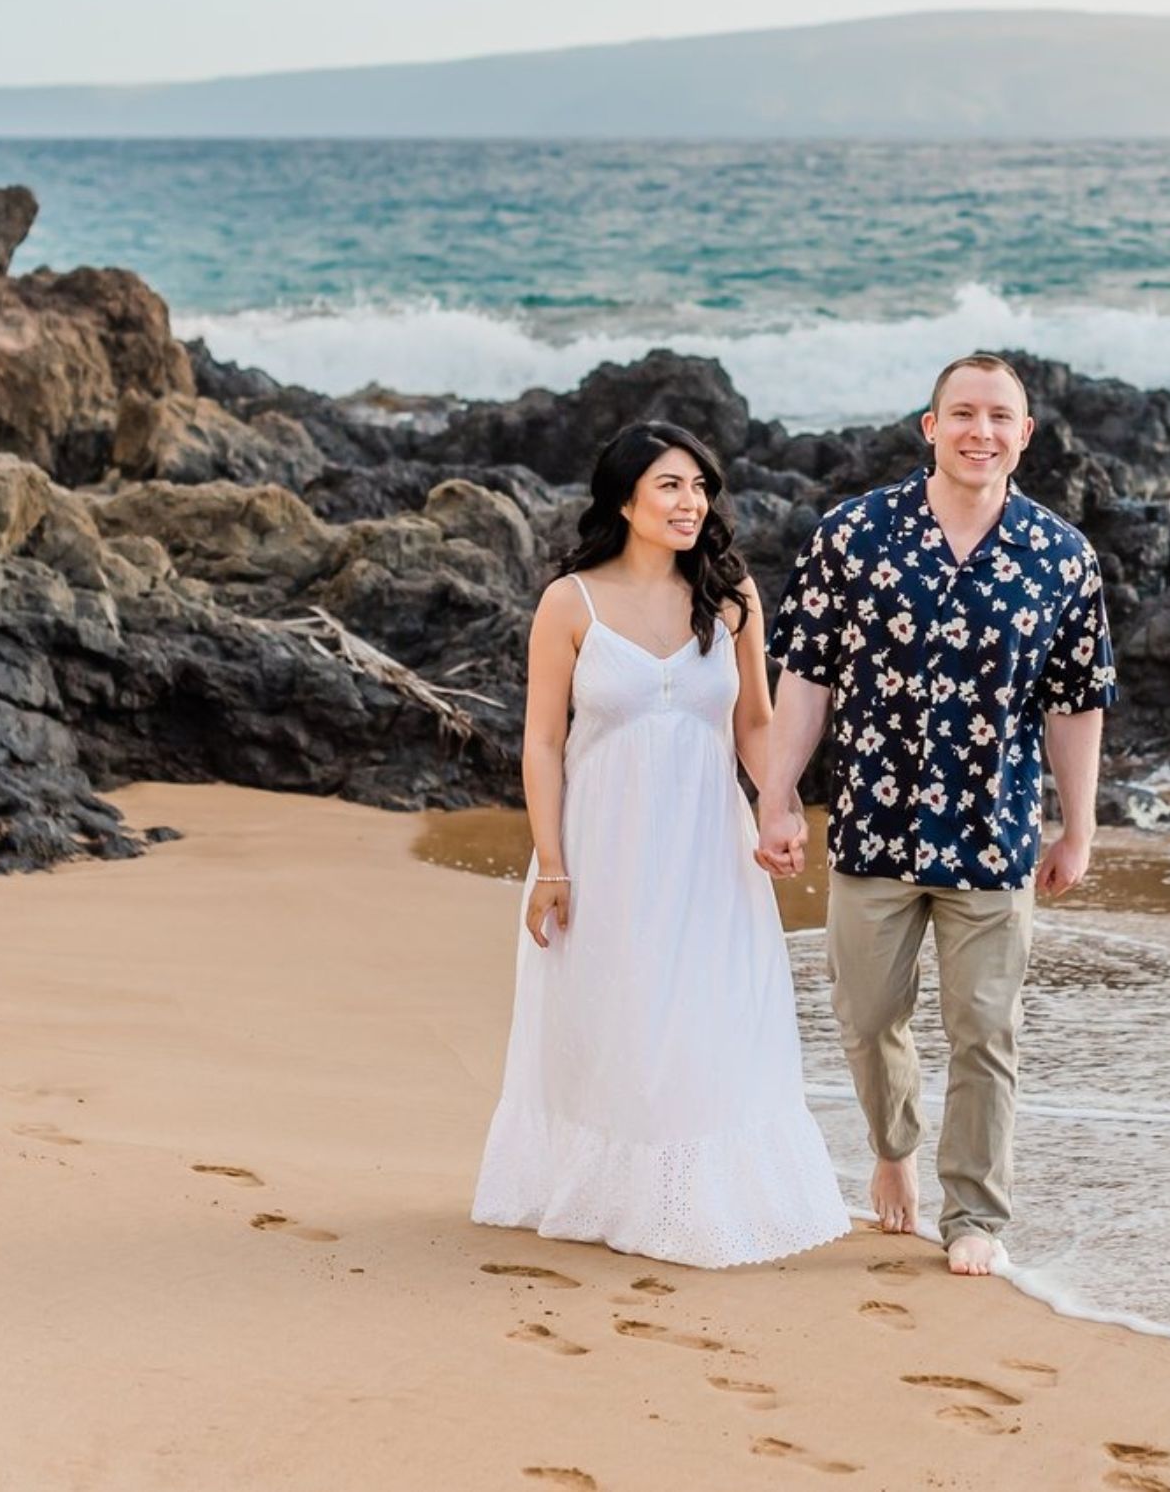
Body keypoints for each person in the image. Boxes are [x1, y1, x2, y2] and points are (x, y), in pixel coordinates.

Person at [752, 354, 1114, 1276]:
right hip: (874, 823)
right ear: (931, 426)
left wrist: (1078, 827)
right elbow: (807, 676)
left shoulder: (1061, 556)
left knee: (985, 1029)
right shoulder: (853, 534)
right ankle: (893, 1146)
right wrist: (777, 795)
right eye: (962, 413)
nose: (979, 431)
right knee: (866, 1015)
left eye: (998, 417)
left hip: (995, 834)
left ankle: (974, 1215)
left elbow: (1076, 702)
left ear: (1024, 435)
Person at [471, 421, 850, 1268]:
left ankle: (696, 1201)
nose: (692, 503)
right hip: (602, 845)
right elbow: (542, 742)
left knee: (709, 1016)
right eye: (671, 486)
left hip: (710, 843)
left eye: (701, 487)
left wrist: (780, 807)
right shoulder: (571, 602)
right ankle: (613, 1196)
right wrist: (551, 865)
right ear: (624, 499)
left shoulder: (731, 595)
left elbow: (755, 723)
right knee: (617, 1018)